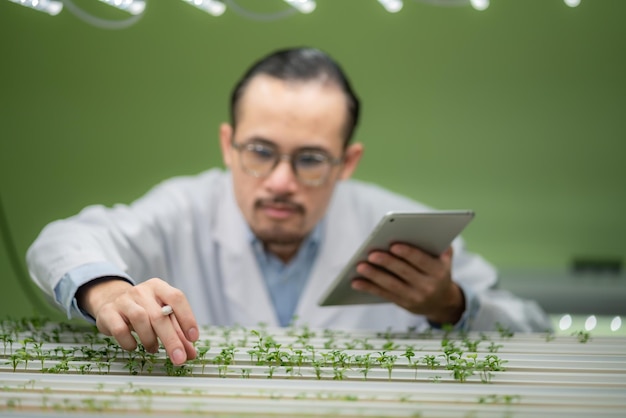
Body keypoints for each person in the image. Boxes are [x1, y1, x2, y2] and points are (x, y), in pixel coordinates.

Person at [26, 47, 551, 366]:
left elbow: (535, 334)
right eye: (259, 152)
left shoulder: (404, 230)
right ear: (228, 144)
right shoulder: (183, 208)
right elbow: (61, 240)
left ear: (347, 161)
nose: (280, 182)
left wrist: (451, 306)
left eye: (310, 159)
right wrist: (106, 289)